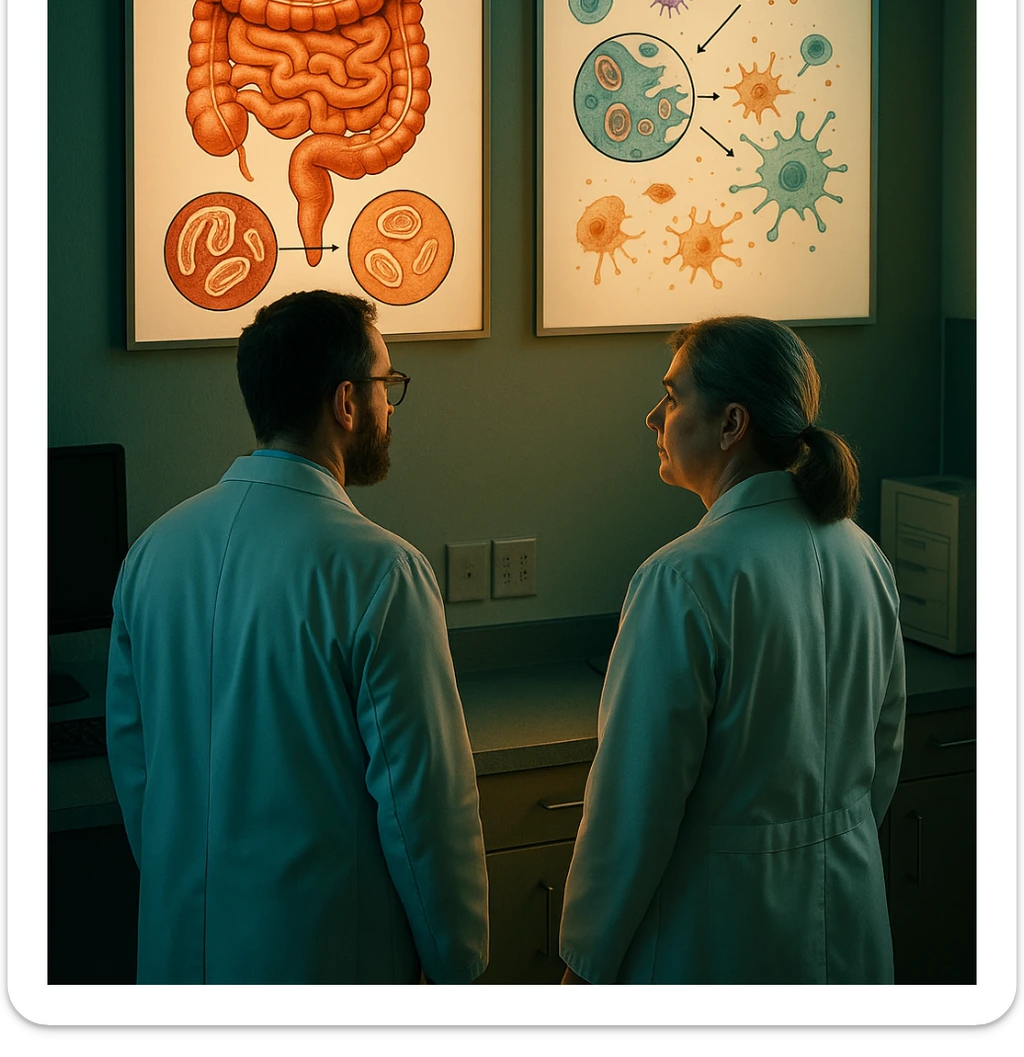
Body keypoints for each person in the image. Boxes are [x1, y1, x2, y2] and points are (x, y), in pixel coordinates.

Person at [105, 290, 488, 985]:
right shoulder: (379, 571)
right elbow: (423, 809)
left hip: (178, 954)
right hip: (324, 959)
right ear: (346, 403)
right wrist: (458, 965)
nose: (389, 407)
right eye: (385, 386)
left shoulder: (153, 552)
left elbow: (136, 772)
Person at [559, 315, 905, 985]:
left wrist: (585, 962)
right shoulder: (865, 557)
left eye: (673, 396)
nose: (653, 416)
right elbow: (883, 756)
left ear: (730, 424)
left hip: (719, 934)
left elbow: (635, 804)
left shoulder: (685, 577)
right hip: (850, 920)